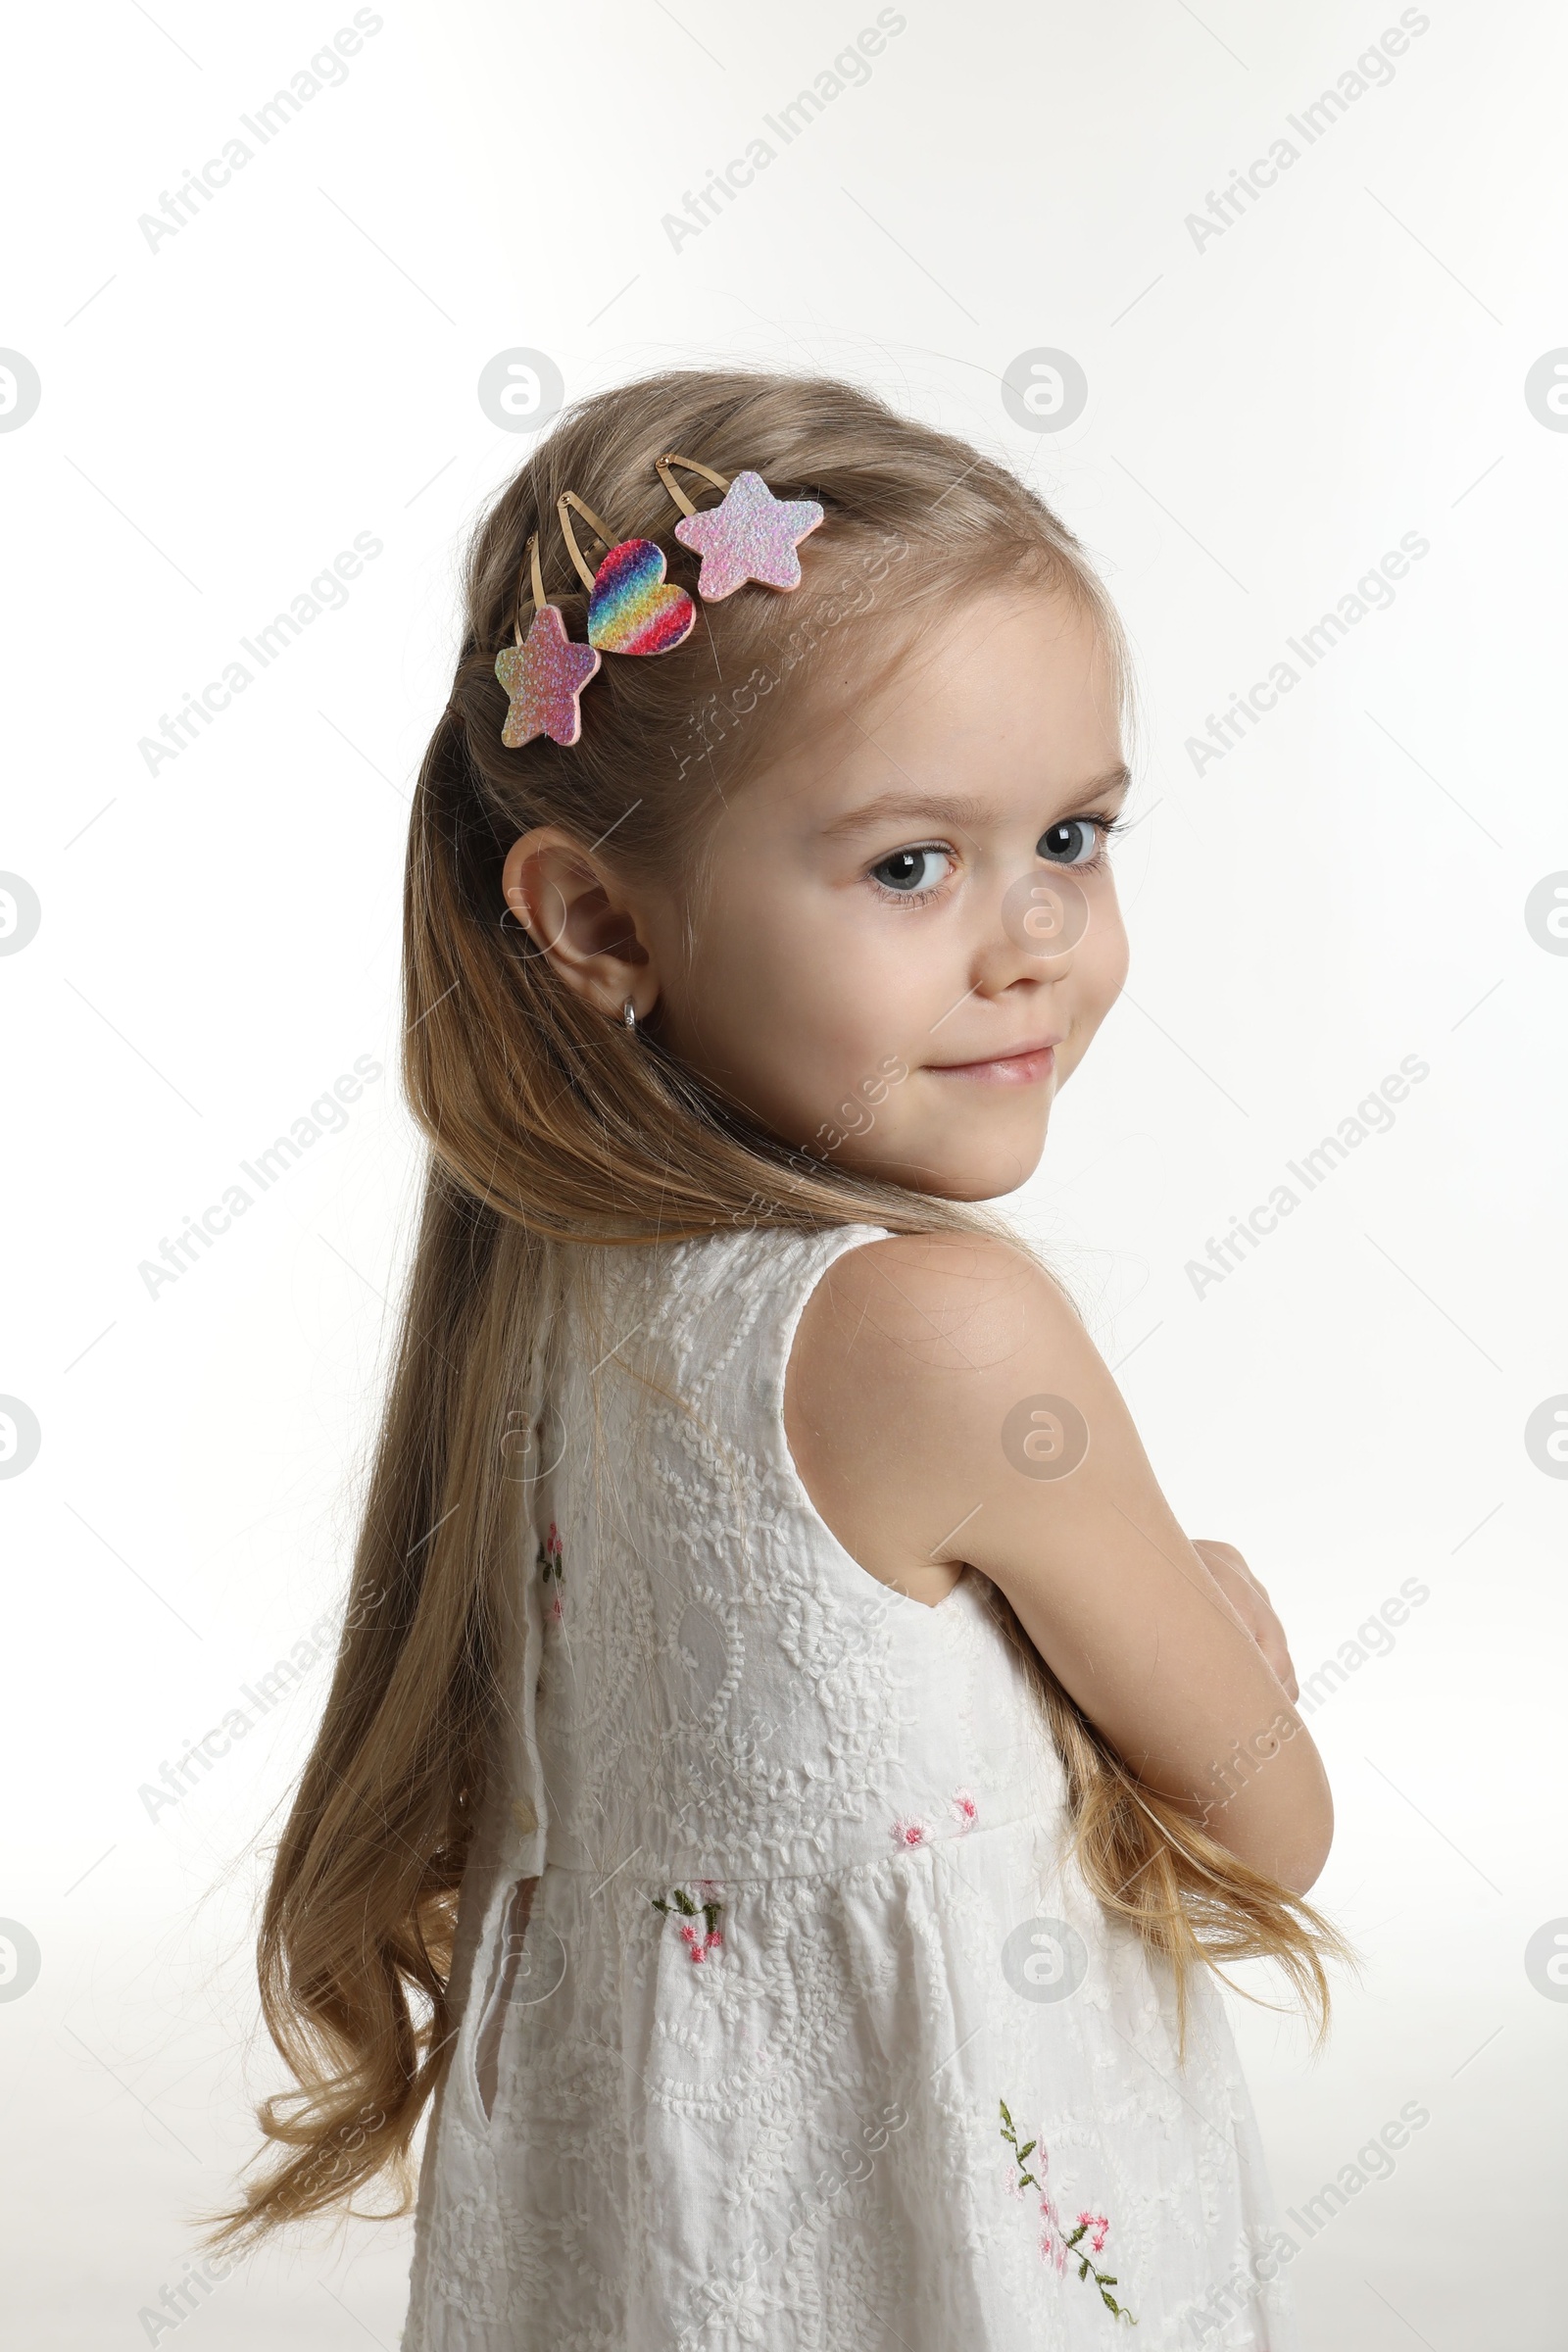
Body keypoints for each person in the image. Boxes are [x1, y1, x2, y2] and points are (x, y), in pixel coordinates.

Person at [216, 368, 1342, 2347]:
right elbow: (1272, 1819)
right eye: (910, 863)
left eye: (1069, 836)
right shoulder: (936, 1324)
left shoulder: (551, 1289)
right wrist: (1216, 1630)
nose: (1030, 944)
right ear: (597, 919)